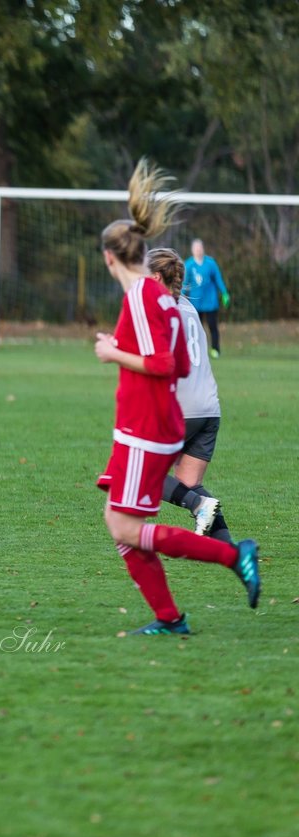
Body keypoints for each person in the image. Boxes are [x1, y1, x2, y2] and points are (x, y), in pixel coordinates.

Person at [92, 160, 259, 636]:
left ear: (109, 258)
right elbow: (181, 363)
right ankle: (169, 618)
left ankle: (233, 555)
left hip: (146, 431)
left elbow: (166, 366)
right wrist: (124, 350)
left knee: (125, 529)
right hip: (146, 427)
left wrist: (113, 353)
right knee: (120, 526)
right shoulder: (161, 299)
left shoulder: (142, 297)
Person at [146, 248, 234, 544]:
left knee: (143, 475)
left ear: (156, 277)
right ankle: (230, 548)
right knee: (188, 484)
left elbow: (162, 361)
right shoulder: (188, 307)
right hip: (209, 407)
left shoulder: (161, 310)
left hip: (182, 408)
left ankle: (199, 506)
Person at [183, 238, 229, 358]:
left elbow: (218, 278)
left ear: (203, 249)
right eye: (196, 248)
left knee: (213, 326)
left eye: (200, 248)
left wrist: (224, 293)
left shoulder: (210, 263)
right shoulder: (188, 265)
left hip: (210, 302)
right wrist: (180, 296)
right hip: (195, 303)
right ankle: (198, 350)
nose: (198, 250)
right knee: (196, 328)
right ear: (192, 250)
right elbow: (184, 283)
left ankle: (215, 349)